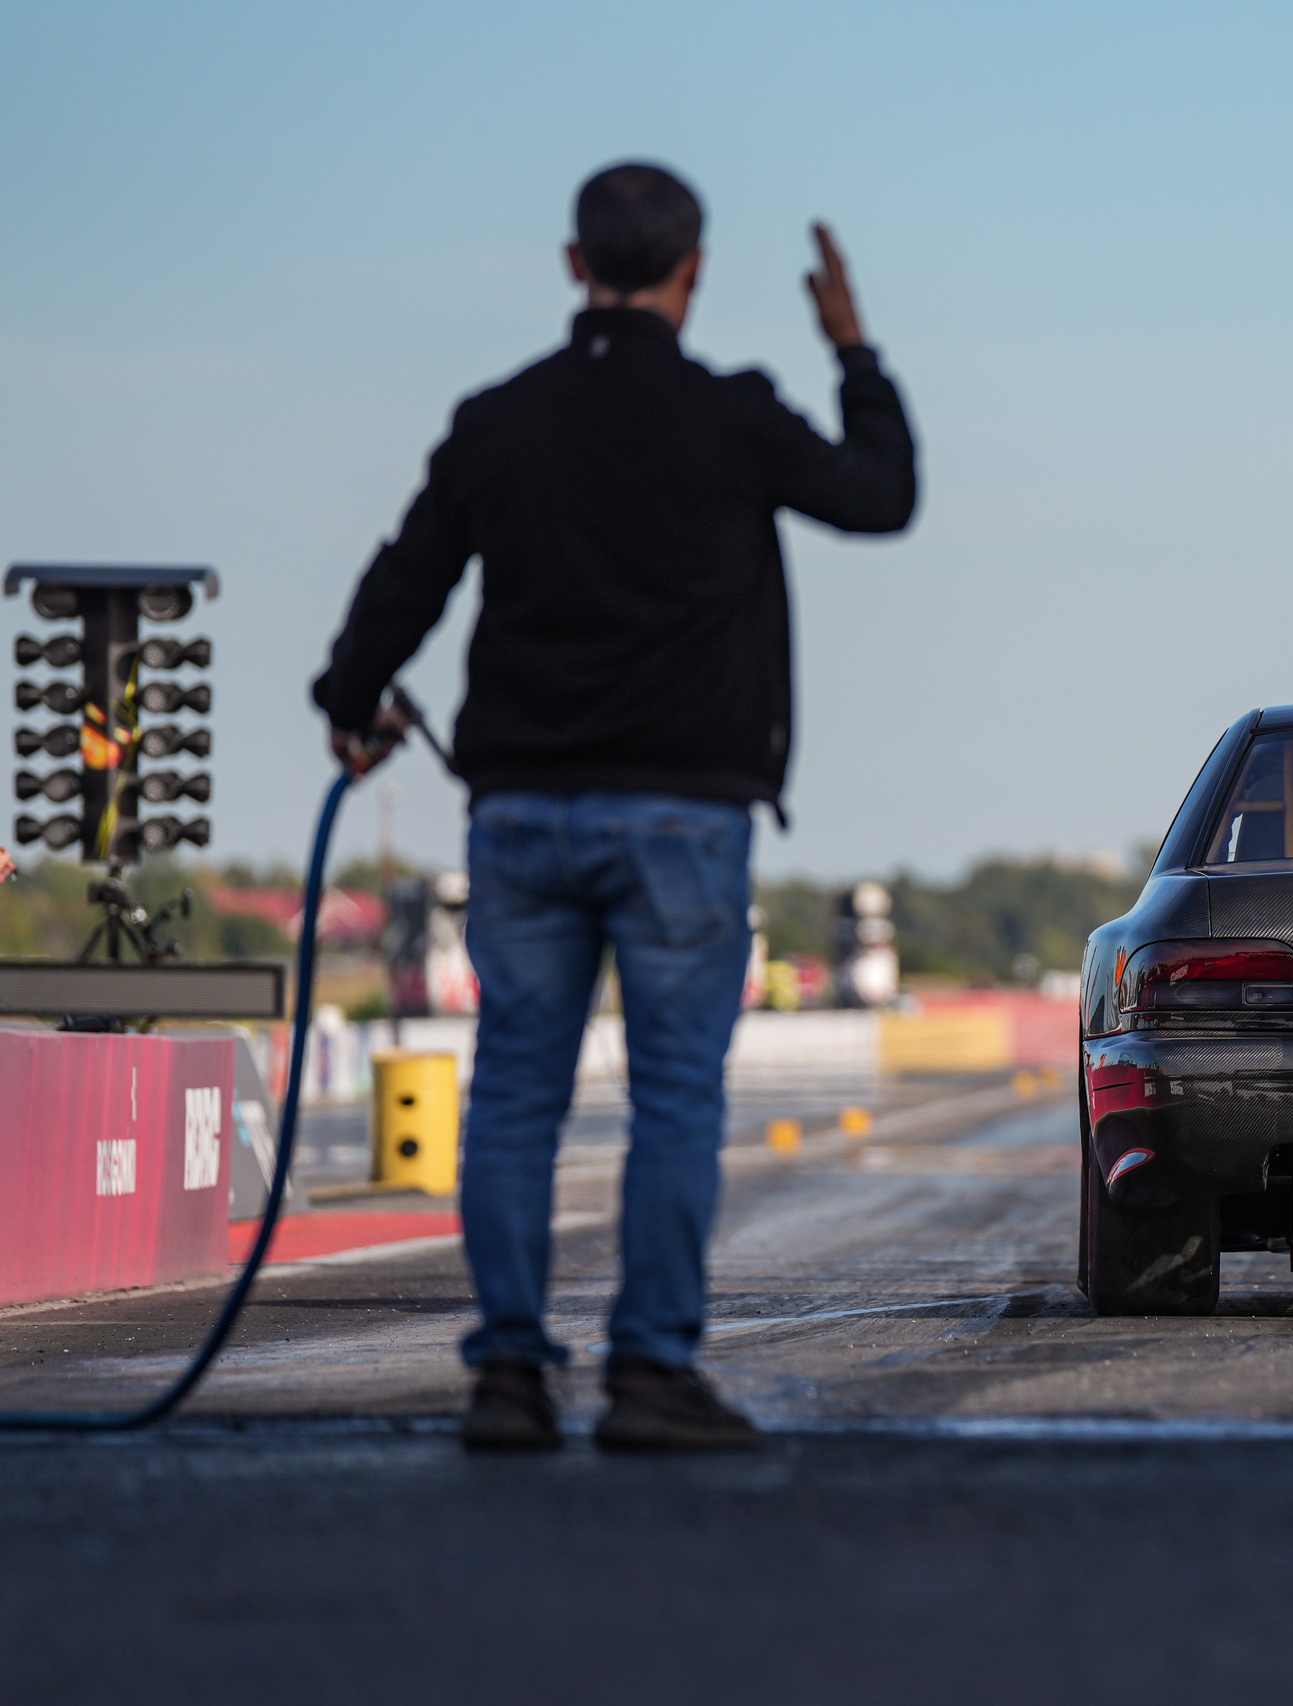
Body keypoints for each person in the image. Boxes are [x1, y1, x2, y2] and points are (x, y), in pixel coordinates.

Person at [311, 163, 917, 1450]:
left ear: (572, 265)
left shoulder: (501, 420)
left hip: (520, 812)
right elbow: (881, 495)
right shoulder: (734, 417)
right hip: (683, 818)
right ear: (691, 275)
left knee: (516, 1099)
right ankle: (649, 1374)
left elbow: (406, 578)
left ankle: (509, 1379)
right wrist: (853, 351)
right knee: (675, 1101)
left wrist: (348, 692)